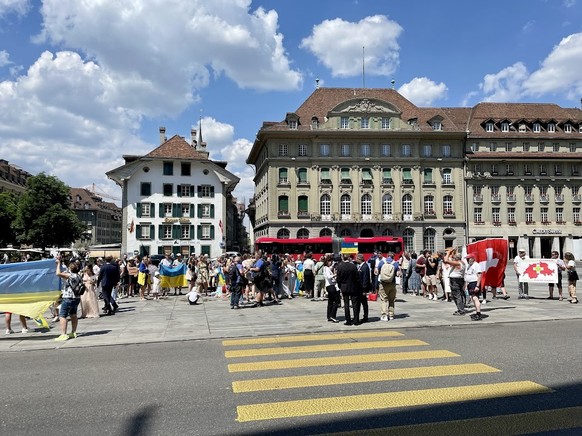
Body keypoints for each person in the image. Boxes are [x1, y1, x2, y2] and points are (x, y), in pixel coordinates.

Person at [54, 257, 81, 341]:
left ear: (70, 269)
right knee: (73, 314)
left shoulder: (70, 276)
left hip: (68, 298)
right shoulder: (78, 276)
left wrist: (58, 263)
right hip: (76, 298)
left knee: (62, 315)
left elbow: (58, 273)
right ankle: (73, 332)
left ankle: (64, 334)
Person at [335, 254, 361, 325]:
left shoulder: (340, 266)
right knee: (355, 304)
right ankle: (356, 320)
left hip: (344, 287)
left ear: (343, 258)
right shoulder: (353, 266)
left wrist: (340, 286)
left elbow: (338, 278)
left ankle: (348, 320)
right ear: (349, 258)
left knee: (346, 304)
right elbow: (357, 277)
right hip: (353, 287)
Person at [443, 248, 466, 315]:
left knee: (457, 295)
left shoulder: (457, 263)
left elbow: (446, 260)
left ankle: (461, 310)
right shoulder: (462, 262)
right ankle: (461, 308)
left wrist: (448, 252)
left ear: (456, 258)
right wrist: (452, 253)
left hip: (455, 280)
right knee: (459, 295)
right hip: (460, 279)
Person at [464, 253, 483, 321]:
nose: (467, 260)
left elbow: (479, 276)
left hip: (474, 283)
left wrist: (477, 286)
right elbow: (467, 275)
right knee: (473, 298)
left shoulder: (476, 265)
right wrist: (466, 284)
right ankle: (477, 311)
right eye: (467, 259)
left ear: (472, 258)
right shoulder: (468, 265)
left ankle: (478, 313)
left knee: (475, 298)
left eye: (468, 259)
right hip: (470, 283)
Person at [378, 257, 397, 321]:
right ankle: (391, 315)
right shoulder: (395, 264)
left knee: (383, 300)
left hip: (383, 284)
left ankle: (384, 315)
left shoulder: (381, 263)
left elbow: (377, 271)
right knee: (391, 300)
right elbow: (398, 274)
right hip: (392, 284)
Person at [323, 255, 340, 322]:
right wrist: (335, 275)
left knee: (330, 301)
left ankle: (329, 315)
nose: (331, 263)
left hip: (329, 286)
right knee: (336, 301)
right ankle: (333, 315)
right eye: (330, 261)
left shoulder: (326, 268)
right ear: (327, 261)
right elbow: (328, 277)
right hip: (330, 286)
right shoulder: (326, 268)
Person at [355, 253, 371, 323]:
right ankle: (359, 317)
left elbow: (365, 279)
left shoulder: (365, 267)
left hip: (362, 289)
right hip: (359, 288)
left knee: (364, 303)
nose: (355, 260)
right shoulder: (360, 266)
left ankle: (365, 317)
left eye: (356, 258)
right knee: (361, 303)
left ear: (360, 259)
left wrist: (364, 290)